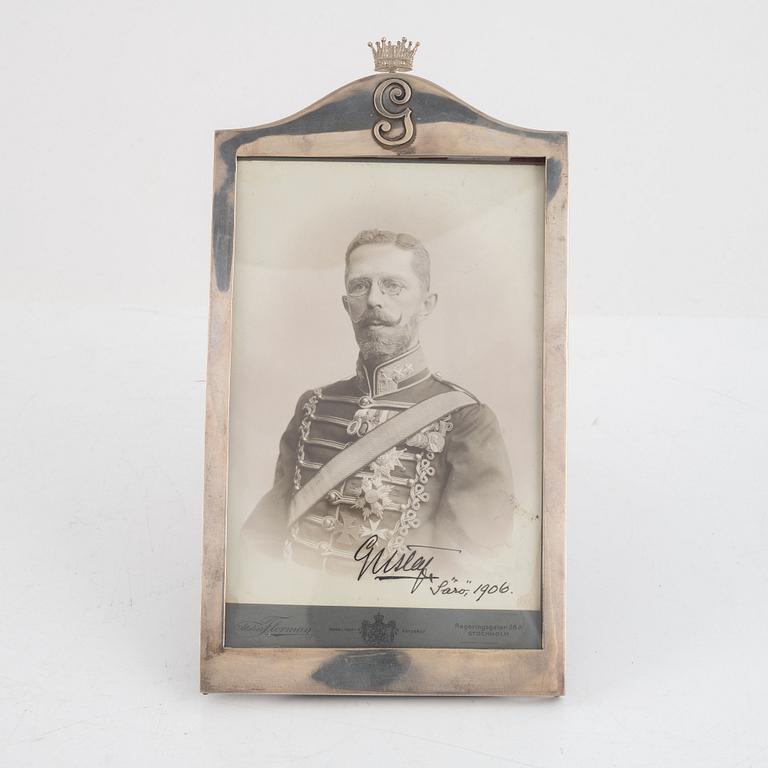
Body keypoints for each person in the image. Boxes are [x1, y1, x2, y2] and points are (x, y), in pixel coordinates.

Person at [245, 229, 518, 572]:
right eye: (360, 285)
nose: (374, 299)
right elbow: (267, 535)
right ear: (347, 306)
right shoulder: (312, 406)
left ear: (427, 304)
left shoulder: (466, 420)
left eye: (393, 285)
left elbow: (469, 565)